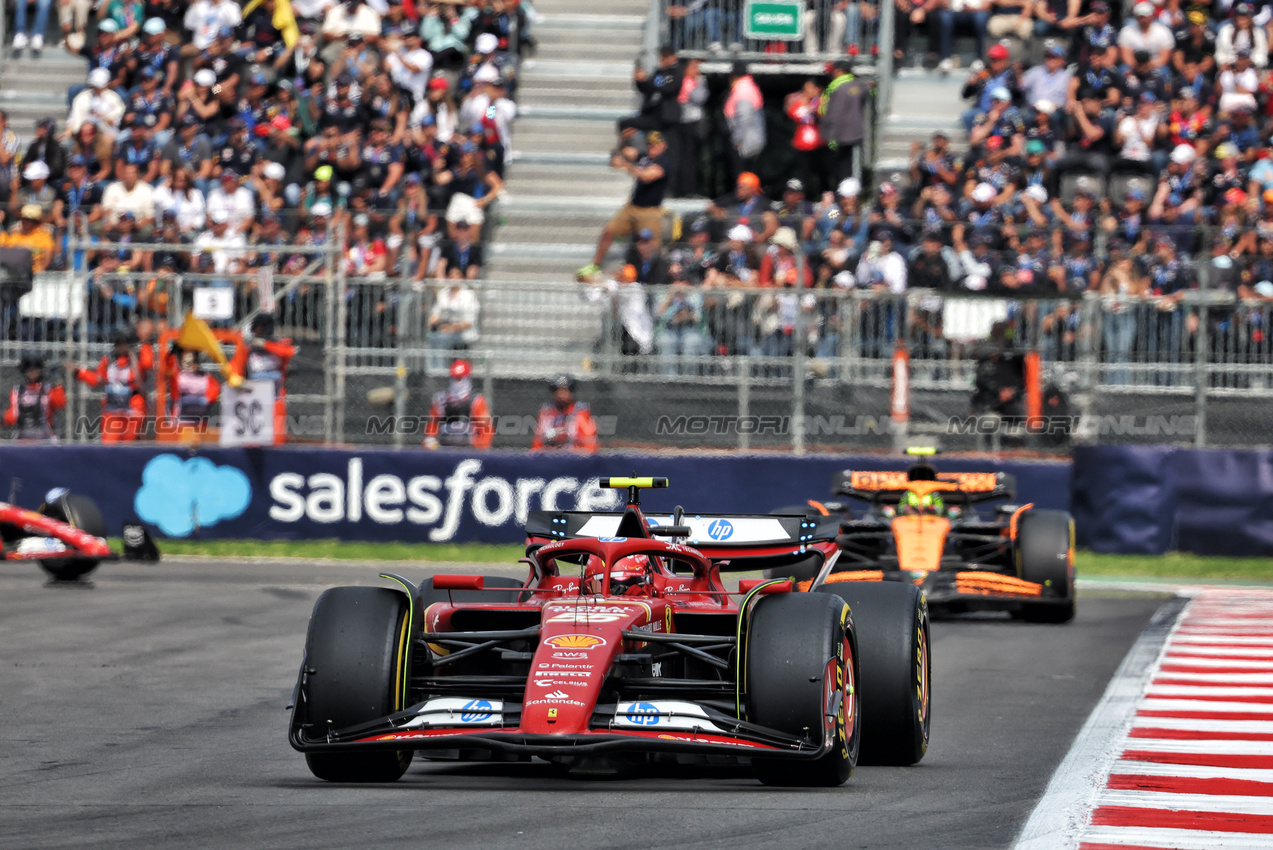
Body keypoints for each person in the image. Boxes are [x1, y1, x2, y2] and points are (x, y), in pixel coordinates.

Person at [577, 130, 670, 279]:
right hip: (632, 206)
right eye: (649, 145)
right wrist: (622, 144)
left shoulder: (664, 162)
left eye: (655, 145)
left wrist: (626, 165)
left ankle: (655, 277)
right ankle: (595, 265)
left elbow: (647, 176)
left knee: (652, 248)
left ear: (663, 146)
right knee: (609, 231)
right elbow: (625, 153)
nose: (651, 148)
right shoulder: (644, 157)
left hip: (649, 211)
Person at [71, 329, 151, 443]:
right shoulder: (108, 361)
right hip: (112, 409)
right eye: (118, 343)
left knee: (130, 444)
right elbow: (97, 378)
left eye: (124, 343)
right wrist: (79, 373)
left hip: (133, 407)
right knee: (109, 443)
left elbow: (148, 363)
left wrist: (145, 343)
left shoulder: (137, 359)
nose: (121, 346)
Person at [231, 313, 295, 444]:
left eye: (263, 328)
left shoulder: (280, 345)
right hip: (255, 395)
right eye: (258, 328)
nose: (260, 331)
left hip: (275, 396)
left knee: (277, 432)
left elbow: (288, 352)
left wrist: (265, 345)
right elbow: (234, 367)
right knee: (255, 432)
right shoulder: (248, 349)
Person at [818, 59, 872, 186]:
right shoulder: (859, 85)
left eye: (834, 71)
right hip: (855, 132)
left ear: (840, 71)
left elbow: (835, 114)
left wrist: (832, 137)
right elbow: (868, 93)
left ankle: (842, 193)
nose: (832, 74)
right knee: (849, 163)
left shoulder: (838, 88)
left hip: (839, 134)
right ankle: (849, 190)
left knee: (838, 168)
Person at [423, 358, 493, 450]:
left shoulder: (476, 401)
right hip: (445, 446)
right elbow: (433, 423)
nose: (457, 383)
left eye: (460, 379)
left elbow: (486, 429)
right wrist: (430, 438)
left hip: (469, 448)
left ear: (467, 378)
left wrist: (480, 445)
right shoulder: (441, 399)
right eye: (455, 378)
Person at [3, 355, 66, 440]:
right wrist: (3, 418)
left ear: (40, 370)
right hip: (22, 437)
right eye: (29, 369)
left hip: (45, 438)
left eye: (35, 368)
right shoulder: (17, 391)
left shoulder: (48, 389)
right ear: (24, 371)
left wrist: (58, 384)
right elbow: (12, 417)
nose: (32, 372)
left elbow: (60, 403)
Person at [531, 374, 597, 452]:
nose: (561, 394)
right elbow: (537, 444)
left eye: (565, 390)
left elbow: (590, 443)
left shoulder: (581, 412)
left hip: (575, 459)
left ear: (571, 392)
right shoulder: (547, 412)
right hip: (550, 458)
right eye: (558, 390)